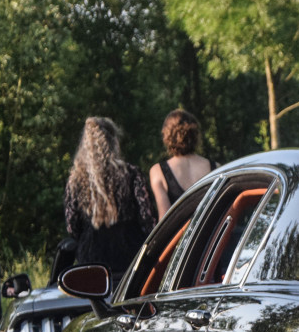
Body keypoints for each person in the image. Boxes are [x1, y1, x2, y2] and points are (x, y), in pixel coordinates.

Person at [64, 116, 155, 280]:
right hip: (129, 256)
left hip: (91, 259)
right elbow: (147, 218)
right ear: (114, 142)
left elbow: (72, 227)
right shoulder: (131, 174)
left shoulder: (76, 180)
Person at [149, 109, 215, 219]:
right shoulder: (215, 167)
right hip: (214, 234)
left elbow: (165, 219)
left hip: (183, 236)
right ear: (195, 135)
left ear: (167, 136)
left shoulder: (158, 171)